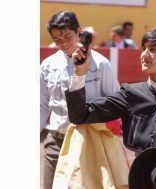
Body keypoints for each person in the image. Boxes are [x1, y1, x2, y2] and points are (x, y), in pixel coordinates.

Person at [65, 27, 156, 171]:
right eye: (143, 49)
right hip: (141, 177)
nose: (144, 55)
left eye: (153, 50)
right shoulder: (130, 94)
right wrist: (80, 72)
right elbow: (79, 115)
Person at [40, 11, 122, 189]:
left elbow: (116, 101)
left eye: (67, 36)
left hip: (90, 141)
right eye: (57, 39)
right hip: (56, 140)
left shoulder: (100, 64)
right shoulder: (47, 65)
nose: (63, 43)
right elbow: (41, 105)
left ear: (79, 32)